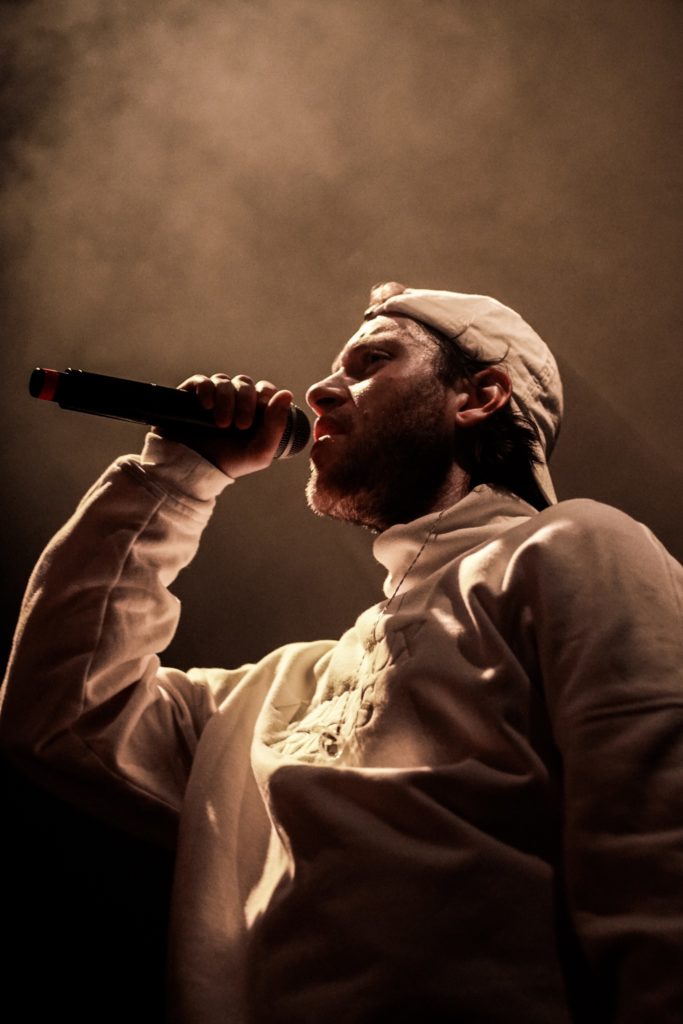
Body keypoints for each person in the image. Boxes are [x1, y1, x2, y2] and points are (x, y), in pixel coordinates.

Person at [1, 282, 681, 1024]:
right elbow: (65, 712)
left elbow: (657, 849)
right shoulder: (277, 692)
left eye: (370, 362)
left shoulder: (574, 547)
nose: (320, 391)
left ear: (480, 396)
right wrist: (175, 476)